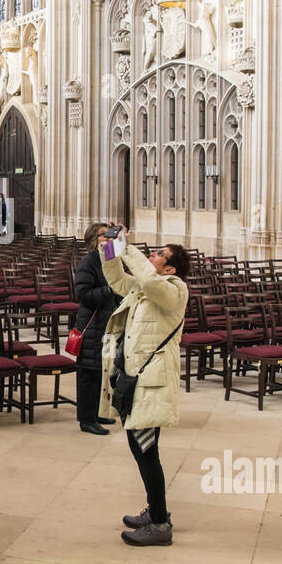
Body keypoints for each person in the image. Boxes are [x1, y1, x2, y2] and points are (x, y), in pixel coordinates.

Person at [98, 227, 190, 547]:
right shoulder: (144, 288)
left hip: (151, 383)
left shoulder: (173, 289)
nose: (153, 254)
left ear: (171, 268)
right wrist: (109, 249)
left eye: (159, 254)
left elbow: (149, 280)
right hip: (134, 380)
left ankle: (161, 524)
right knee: (140, 451)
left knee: (147, 452)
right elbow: (117, 280)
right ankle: (155, 510)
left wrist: (127, 247)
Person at [73, 223, 121, 436]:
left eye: (109, 235)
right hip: (92, 324)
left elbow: (121, 252)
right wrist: (109, 290)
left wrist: (121, 233)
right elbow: (83, 295)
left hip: (108, 322)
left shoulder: (110, 259)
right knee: (89, 373)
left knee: (103, 371)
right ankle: (86, 419)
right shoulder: (89, 262)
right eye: (104, 235)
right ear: (93, 239)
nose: (108, 239)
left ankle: (96, 412)